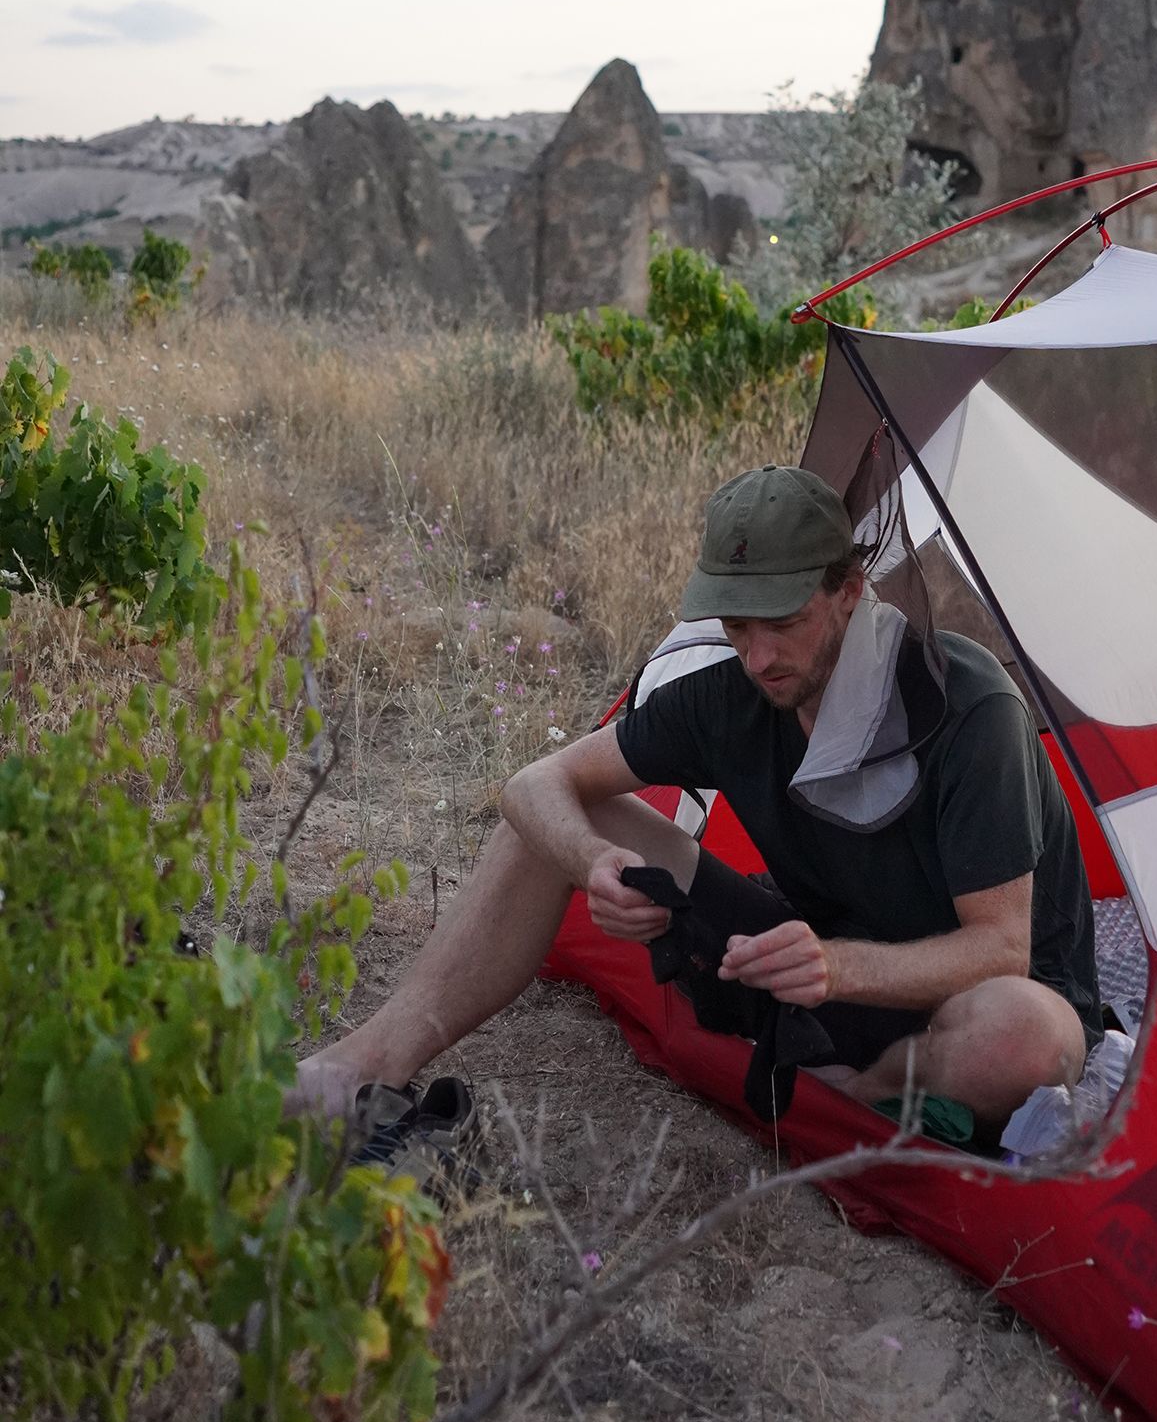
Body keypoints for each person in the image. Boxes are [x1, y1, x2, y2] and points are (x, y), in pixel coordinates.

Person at [295, 465, 1101, 1135]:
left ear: (851, 590)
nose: (759, 655)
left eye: (784, 621)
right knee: (550, 823)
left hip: (963, 1007)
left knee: (1023, 1038)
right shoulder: (735, 693)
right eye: (736, 624)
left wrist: (836, 965)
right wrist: (594, 861)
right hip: (802, 973)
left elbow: (1002, 951)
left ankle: (857, 1096)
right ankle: (358, 1070)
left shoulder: (968, 709)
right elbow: (533, 785)